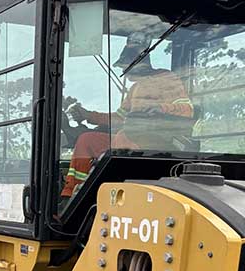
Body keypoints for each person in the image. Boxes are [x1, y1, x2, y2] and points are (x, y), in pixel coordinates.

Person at [61, 35, 194, 199]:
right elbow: (120, 118)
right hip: (127, 141)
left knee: (123, 137)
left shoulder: (166, 79)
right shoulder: (135, 89)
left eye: (125, 67)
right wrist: (89, 115)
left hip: (156, 145)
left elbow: (187, 109)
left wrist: (159, 108)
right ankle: (74, 195)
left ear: (138, 63)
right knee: (86, 139)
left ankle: (116, 195)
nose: (125, 73)